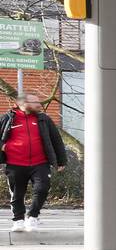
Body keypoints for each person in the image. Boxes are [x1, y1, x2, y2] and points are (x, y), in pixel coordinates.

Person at [4, 94, 69, 233]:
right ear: (22, 103)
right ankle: (18, 220)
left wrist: (61, 160)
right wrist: (4, 147)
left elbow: (56, 139)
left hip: (40, 163)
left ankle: (32, 216)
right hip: (15, 163)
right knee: (17, 193)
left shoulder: (44, 119)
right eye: (35, 102)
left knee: (42, 189)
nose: (39, 104)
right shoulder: (8, 118)